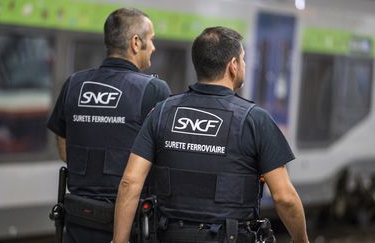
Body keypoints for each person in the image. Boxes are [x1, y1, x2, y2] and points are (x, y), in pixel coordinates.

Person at [113, 26, 309, 243]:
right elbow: (284, 198)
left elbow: (129, 182)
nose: (244, 64)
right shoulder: (255, 119)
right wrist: (301, 240)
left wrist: (119, 241)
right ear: (233, 66)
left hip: (170, 234)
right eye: (243, 59)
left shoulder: (162, 112)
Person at [47, 8, 171, 243]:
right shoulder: (154, 89)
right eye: (151, 40)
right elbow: (165, 160)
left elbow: (65, 149)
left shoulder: (74, 83)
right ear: (136, 42)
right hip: (128, 224)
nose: (153, 47)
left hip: (78, 220)